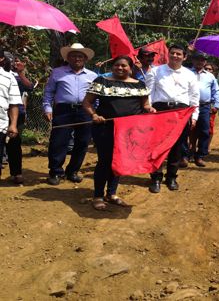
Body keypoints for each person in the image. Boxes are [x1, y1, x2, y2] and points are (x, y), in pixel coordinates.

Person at [82, 55, 155, 210]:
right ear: (112, 66)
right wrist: (94, 115)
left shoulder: (139, 85)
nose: (120, 68)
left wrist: (151, 109)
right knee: (105, 161)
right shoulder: (101, 82)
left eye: (124, 66)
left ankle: (112, 193)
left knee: (119, 160)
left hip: (129, 131)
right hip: (105, 128)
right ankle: (98, 195)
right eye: (117, 65)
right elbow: (87, 102)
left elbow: (146, 105)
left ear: (130, 68)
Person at [145, 44, 199, 193]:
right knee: (157, 147)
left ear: (184, 57)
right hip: (160, 111)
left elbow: (194, 97)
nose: (175, 56)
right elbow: (147, 92)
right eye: (173, 53)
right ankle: (155, 178)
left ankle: (171, 177)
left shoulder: (190, 75)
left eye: (179, 54)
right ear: (168, 54)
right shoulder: (156, 71)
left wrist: (194, 116)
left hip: (182, 113)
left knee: (177, 147)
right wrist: (149, 108)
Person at [43, 43, 97, 186]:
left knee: (83, 142)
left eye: (80, 56)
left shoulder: (93, 75)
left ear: (85, 58)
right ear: (68, 58)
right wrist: (47, 108)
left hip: (85, 111)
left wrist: (94, 112)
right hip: (63, 110)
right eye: (73, 55)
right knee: (58, 141)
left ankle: (72, 171)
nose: (77, 58)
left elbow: (96, 96)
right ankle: (55, 172)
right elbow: (49, 92)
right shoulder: (58, 72)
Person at [1, 53, 33, 184]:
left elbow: (29, 87)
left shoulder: (14, 76)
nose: (15, 63)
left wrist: (20, 73)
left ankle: (16, 172)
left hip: (16, 114)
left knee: (14, 144)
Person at [190, 51, 219, 167]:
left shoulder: (210, 76)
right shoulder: (186, 73)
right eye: (197, 59)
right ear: (193, 60)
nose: (200, 61)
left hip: (204, 106)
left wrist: (216, 104)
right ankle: (185, 155)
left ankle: (200, 156)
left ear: (205, 62)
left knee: (204, 131)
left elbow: (216, 91)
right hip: (189, 106)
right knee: (187, 131)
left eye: (202, 60)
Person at [0, 50, 22, 183]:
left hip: (1, 125)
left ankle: (16, 172)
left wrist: (13, 124)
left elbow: (14, 103)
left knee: (13, 148)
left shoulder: (9, 77)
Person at [204, 63, 218, 152]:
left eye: (210, 69)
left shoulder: (215, 81)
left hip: (210, 106)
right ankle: (192, 146)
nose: (208, 70)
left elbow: (217, 94)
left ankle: (207, 145)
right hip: (199, 106)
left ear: (213, 71)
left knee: (210, 127)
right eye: (206, 68)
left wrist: (215, 106)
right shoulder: (198, 78)